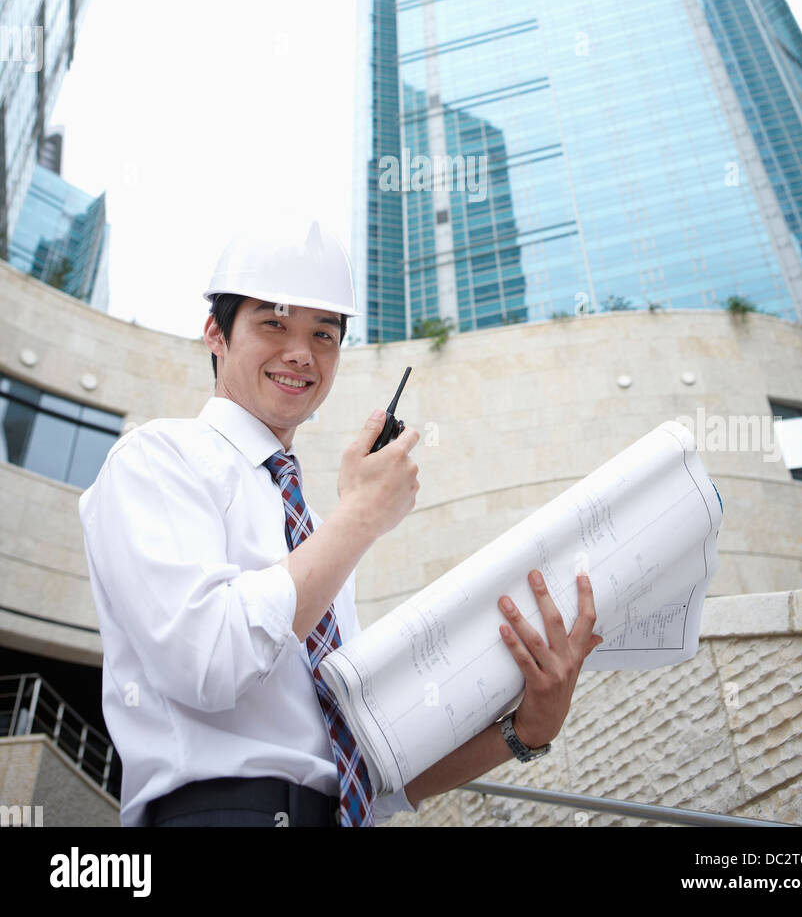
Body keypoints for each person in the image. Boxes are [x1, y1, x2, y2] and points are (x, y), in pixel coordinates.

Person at [78, 219, 602, 827]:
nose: (301, 352)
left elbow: (371, 773)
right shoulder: (156, 460)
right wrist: (361, 518)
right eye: (274, 323)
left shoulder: (317, 534)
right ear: (216, 334)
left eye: (323, 334)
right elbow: (211, 661)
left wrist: (525, 731)